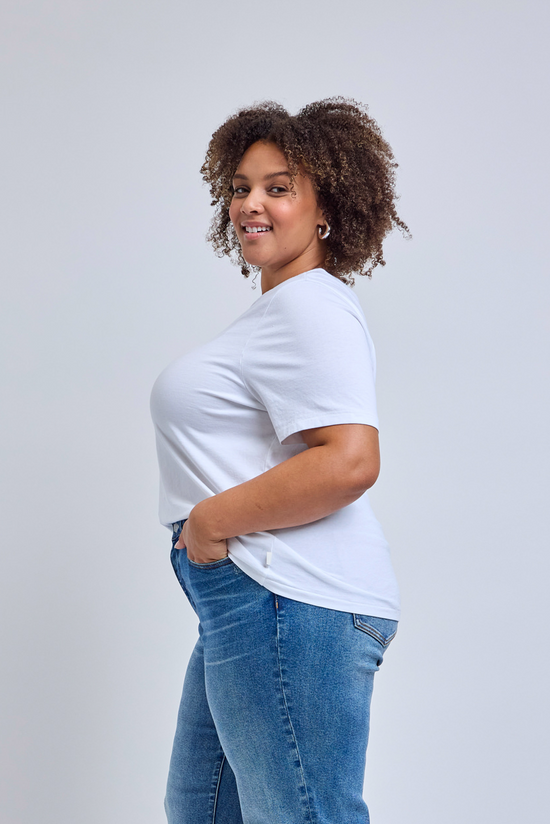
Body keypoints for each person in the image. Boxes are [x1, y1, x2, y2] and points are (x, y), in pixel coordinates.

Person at [150, 98, 409, 824]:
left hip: (290, 600)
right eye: (240, 187)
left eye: (278, 186)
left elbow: (350, 461)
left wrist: (209, 519)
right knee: (201, 812)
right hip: (254, 604)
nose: (251, 204)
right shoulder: (282, 311)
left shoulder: (310, 306)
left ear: (325, 207)